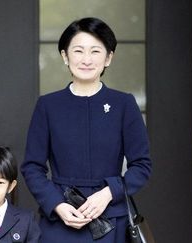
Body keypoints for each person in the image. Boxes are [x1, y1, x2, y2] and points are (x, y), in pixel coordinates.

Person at [20, 17, 152, 242]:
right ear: (65, 56)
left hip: (111, 220)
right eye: (78, 50)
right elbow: (32, 166)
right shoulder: (48, 105)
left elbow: (142, 165)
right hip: (60, 220)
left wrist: (109, 193)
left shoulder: (124, 104)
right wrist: (56, 204)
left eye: (96, 51)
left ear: (109, 57)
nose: (87, 59)